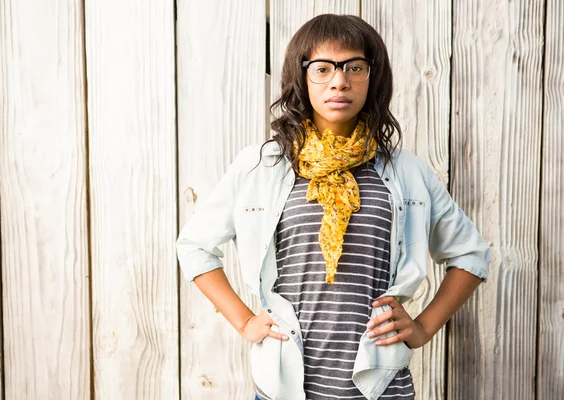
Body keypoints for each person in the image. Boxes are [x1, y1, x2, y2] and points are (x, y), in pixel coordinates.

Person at [176, 14, 489, 400]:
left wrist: (423, 326)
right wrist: (244, 322)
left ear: (372, 77)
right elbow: (194, 246)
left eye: (354, 67)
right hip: (284, 385)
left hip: (379, 385)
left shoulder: (406, 171)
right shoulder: (261, 166)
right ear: (301, 76)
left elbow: (470, 254)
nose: (339, 81)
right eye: (323, 68)